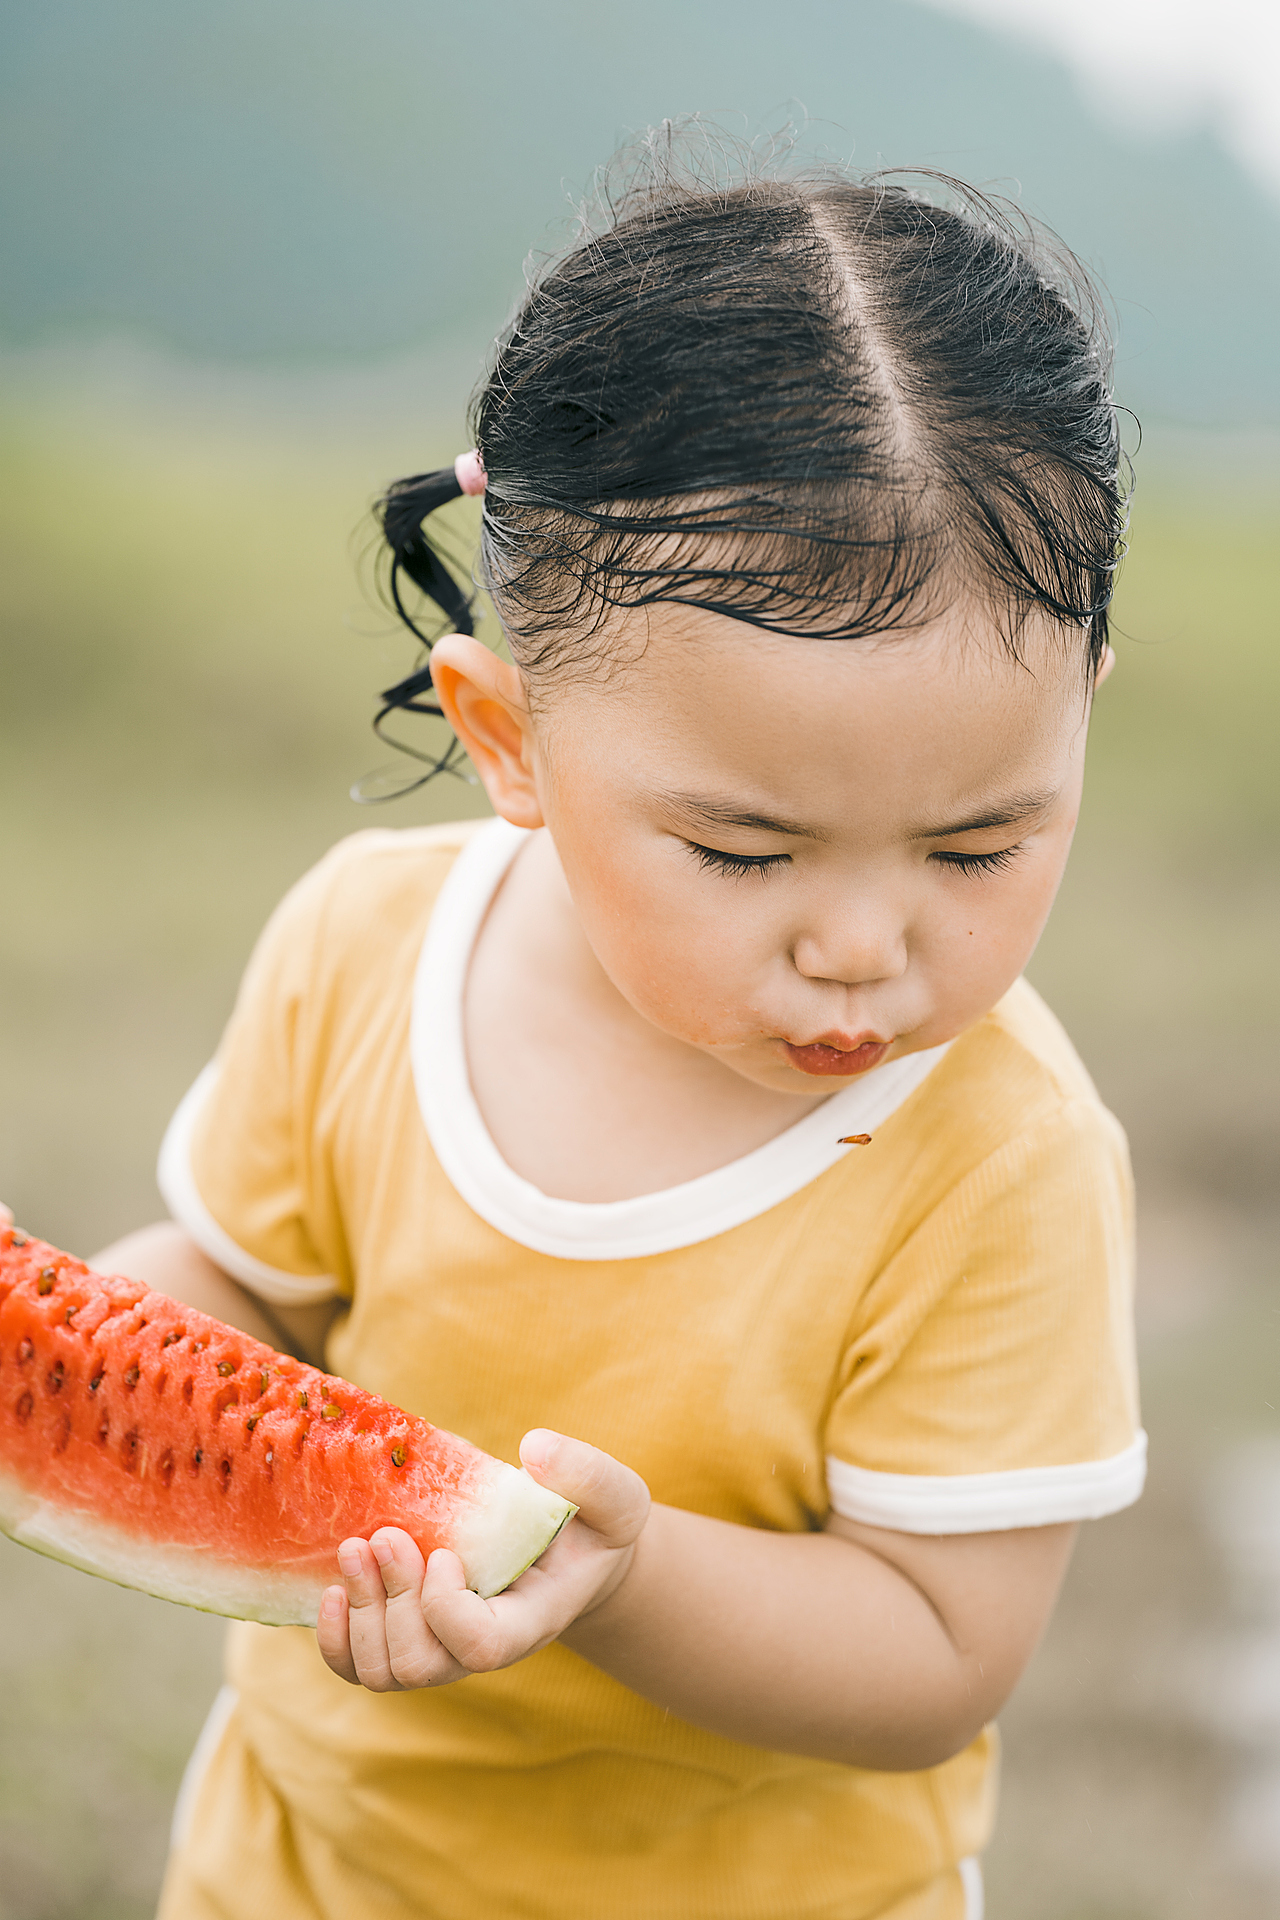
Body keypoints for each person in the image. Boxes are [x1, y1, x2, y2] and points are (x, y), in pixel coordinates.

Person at [91, 145, 1144, 1920]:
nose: (862, 947)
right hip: (304, 1866)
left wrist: (622, 1579)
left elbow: (938, 1651)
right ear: (508, 740)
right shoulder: (365, 950)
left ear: (1083, 713)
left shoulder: (1001, 1156)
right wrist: (81, 1355)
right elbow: (240, 1291)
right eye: (745, 849)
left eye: (982, 842)